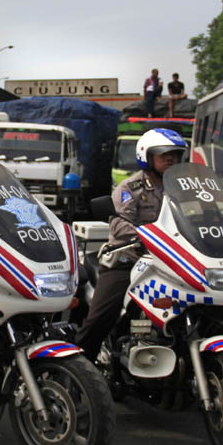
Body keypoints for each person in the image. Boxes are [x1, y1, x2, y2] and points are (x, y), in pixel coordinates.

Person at [76, 128, 187, 361]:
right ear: (146, 156)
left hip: (175, 262)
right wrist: (148, 238)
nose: (171, 159)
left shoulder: (184, 189)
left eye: (176, 155)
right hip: (131, 259)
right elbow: (119, 224)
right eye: (164, 155)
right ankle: (78, 373)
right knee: (100, 317)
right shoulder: (130, 188)